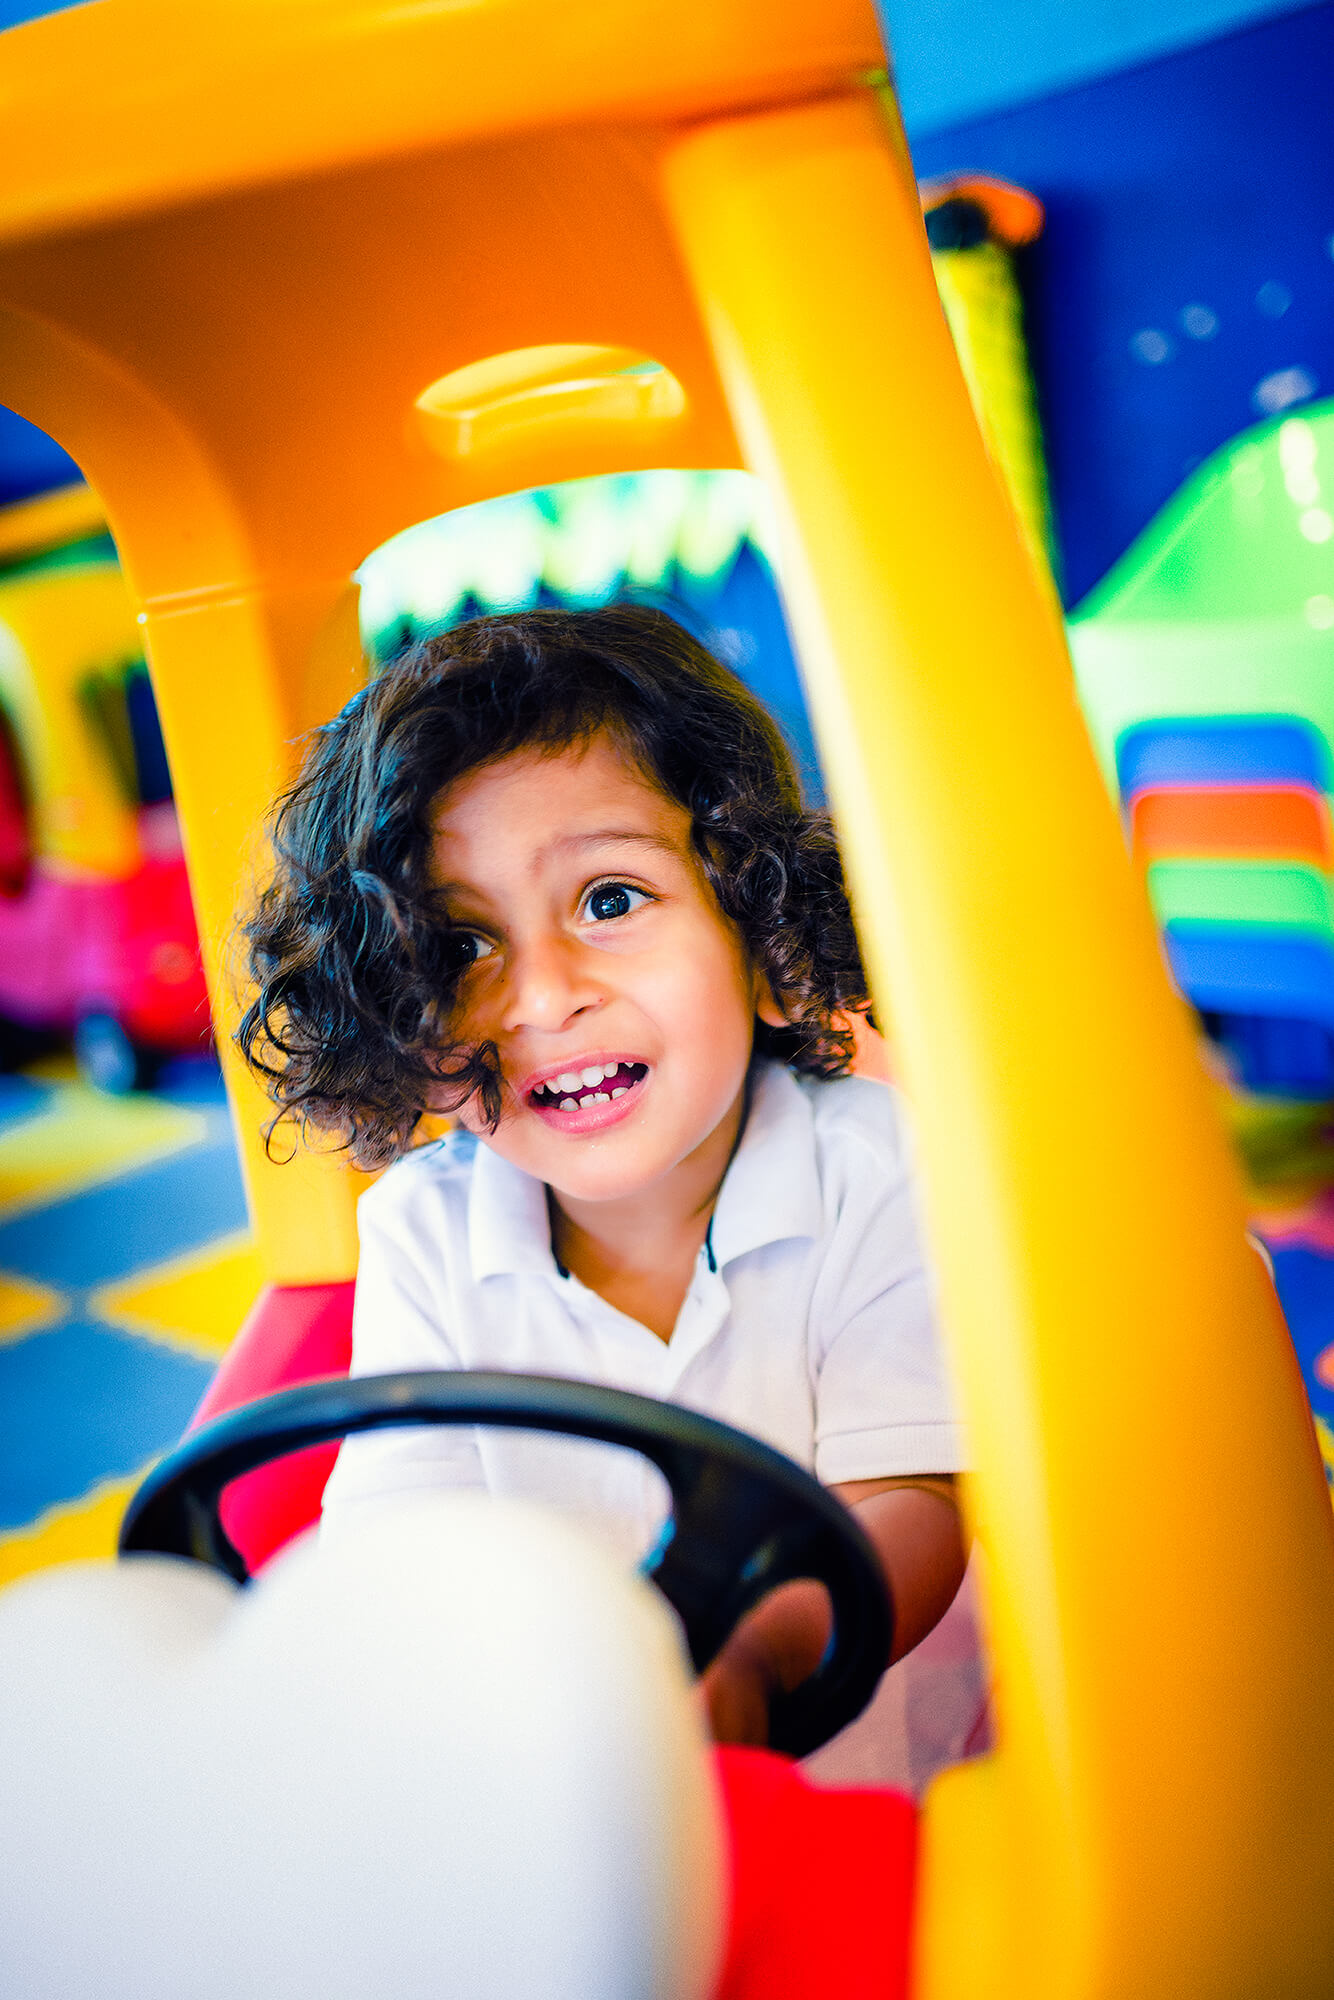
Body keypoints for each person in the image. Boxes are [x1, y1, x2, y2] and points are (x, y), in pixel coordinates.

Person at [237, 604, 968, 1750]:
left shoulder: (875, 1171)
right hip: (576, 1801)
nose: (541, 995)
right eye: (461, 945)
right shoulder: (420, 1237)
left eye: (609, 899)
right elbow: (401, 1532)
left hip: (872, 1803)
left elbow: (909, 1504)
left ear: (763, 938)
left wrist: (750, 1661)